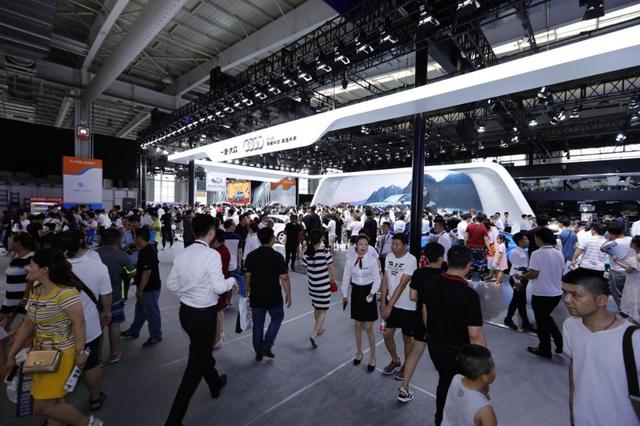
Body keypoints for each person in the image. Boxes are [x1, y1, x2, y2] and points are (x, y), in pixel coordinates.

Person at [5, 248, 102, 426]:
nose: (28, 269)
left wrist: (80, 352)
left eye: (31, 265)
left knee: (41, 405)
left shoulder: (65, 293)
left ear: (44, 270)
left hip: (61, 355)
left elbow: (79, 323)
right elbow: (28, 324)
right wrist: (12, 354)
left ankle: (88, 423)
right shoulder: (36, 291)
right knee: (54, 402)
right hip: (40, 355)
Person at [165, 214, 237, 426]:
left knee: (201, 352)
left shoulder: (183, 253)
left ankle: (215, 383)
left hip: (185, 314)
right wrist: (232, 280)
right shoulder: (211, 255)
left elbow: (171, 285)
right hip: (203, 316)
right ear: (211, 232)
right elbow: (219, 287)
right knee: (193, 368)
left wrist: (188, 291)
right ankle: (173, 421)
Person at [561, 268, 640, 426]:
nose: (567, 300)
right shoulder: (570, 326)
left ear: (601, 300)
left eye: (575, 295)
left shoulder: (633, 338)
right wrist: (573, 413)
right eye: (565, 293)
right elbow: (574, 371)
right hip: (582, 419)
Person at [421, 246, 487, 424]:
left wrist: (434, 334)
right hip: (458, 354)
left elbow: (425, 312)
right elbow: (475, 335)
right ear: (469, 265)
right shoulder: (469, 295)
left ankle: (440, 418)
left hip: (435, 346)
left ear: (447, 261)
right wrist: (483, 366)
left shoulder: (432, 282)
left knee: (445, 382)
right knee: (459, 388)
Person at [245, 227, 292, 360]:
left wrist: (247, 290)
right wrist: (288, 294)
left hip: (256, 295)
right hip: (273, 296)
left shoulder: (251, 256)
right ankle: (267, 345)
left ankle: (258, 351)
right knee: (277, 318)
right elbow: (284, 278)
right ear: (271, 239)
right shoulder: (277, 257)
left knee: (258, 324)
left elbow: (247, 276)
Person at [521, 227, 565, 358]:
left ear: (539, 239)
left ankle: (545, 349)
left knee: (541, 322)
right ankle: (559, 343)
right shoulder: (559, 253)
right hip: (556, 293)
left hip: (541, 293)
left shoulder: (536, 254)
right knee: (546, 318)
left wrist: (522, 276)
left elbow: (533, 274)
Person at [380, 233, 417, 380]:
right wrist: (383, 302)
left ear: (405, 245)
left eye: (398, 245)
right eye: (393, 244)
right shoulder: (389, 257)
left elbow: (402, 285)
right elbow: (385, 280)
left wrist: (389, 306)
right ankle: (395, 360)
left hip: (407, 306)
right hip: (391, 303)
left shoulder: (411, 260)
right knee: (387, 334)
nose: (394, 247)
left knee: (407, 338)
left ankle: (406, 365)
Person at [342, 234, 381, 372]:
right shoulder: (350, 260)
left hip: (368, 292)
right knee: (358, 325)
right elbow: (346, 278)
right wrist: (345, 294)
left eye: (366, 244)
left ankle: (373, 357)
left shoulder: (372, 260)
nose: (363, 247)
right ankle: (359, 352)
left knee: (369, 327)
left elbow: (377, 278)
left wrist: (373, 292)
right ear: (356, 246)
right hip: (357, 292)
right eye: (360, 244)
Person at [96, 228, 136, 364]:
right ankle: (114, 353)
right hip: (115, 296)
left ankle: (96, 358)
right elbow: (132, 271)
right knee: (114, 324)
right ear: (117, 240)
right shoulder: (121, 255)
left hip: (96, 297)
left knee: (98, 327)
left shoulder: (94, 254)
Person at [121, 227, 163, 346]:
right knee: (140, 311)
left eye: (135, 236)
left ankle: (156, 335)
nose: (134, 239)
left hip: (149, 288)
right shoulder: (145, 249)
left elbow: (146, 273)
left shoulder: (147, 252)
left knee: (152, 313)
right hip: (145, 288)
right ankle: (134, 331)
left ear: (140, 238)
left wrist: (140, 290)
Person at [441, 344, 498, 426]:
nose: (494, 371)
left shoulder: (456, 378)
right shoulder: (485, 411)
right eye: (493, 368)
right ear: (484, 377)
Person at [302, 229, 337, 348]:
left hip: (313, 286)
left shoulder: (307, 253)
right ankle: (314, 334)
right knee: (323, 310)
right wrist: (333, 280)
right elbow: (331, 268)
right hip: (323, 286)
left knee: (317, 308)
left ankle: (320, 327)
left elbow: (304, 266)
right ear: (320, 239)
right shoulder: (325, 252)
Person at [1, 233, 36, 321]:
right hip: (11, 299)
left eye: (10, 240)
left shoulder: (30, 258)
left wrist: (25, 297)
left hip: (21, 300)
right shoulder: (18, 257)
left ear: (18, 243)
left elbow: (31, 279)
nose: (7, 242)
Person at [504, 232, 535, 332]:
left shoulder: (524, 251)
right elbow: (515, 268)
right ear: (520, 241)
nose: (528, 241)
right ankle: (510, 319)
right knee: (517, 300)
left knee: (521, 301)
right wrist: (517, 281)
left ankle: (524, 322)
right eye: (526, 239)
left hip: (523, 278)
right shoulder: (515, 252)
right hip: (517, 279)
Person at [603, 222, 633, 312]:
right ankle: (632, 310)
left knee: (618, 293)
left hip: (617, 271)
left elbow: (601, 248)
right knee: (630, 292)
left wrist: (608, 239)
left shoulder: (611, 243)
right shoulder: (631, 240)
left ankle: (624, 311)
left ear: (611, 233)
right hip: (632, 269)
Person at [613, 236, 640, 323]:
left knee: (634, 299)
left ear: (635, 244)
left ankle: (635, 321)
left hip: (634, 281)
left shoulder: (637, 257)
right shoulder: (636, 256)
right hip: (637, 279)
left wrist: (616, 262)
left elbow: (628, 269)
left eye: (631, 242)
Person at [465, 213, 491, 281]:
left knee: (470, 261)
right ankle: (481, 277)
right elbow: (486, 240)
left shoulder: (469, 226)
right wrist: (489, 248)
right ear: (483, 220)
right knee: (481, 262)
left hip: (470, 247)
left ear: (476, 219)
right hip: (480, 249)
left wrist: (465, 245)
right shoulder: (484, 228)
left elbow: (466, 237)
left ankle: (468, 276)